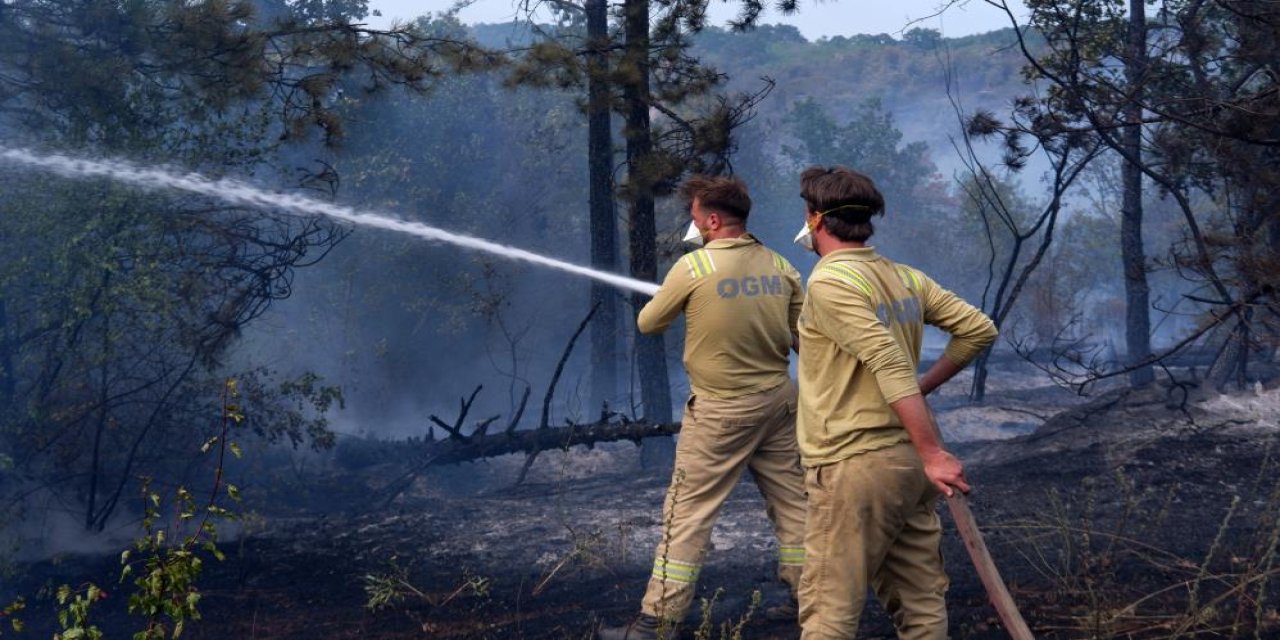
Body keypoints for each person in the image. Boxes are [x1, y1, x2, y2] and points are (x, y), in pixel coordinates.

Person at [791, 166, 997, 639]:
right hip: (906, 468)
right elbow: (979, 330)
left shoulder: (828, 283)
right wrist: (921, 396)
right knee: (921, 605)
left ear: (816, 218)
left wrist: (933, 452)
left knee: (829, 614)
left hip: (854, 467)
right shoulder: (902, 277)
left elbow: (888, 361)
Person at [599, 175, 808, 640]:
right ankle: (810, 602)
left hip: (720, 413)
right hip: (778, 404)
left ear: (713, 220)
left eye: (694, 218)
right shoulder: (780, 265)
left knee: (688, 512)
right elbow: (804, 339)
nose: (692, 226)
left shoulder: (693, 268)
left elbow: (649, 322)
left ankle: (657, 621)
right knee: (795, 504)